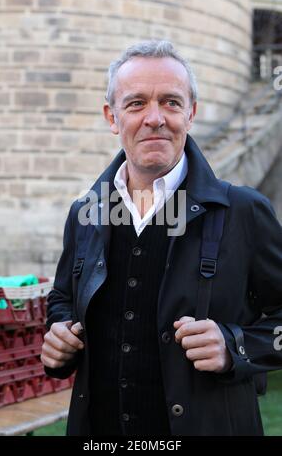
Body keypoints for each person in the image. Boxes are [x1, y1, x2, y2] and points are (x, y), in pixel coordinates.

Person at [41, 40, 282, 436]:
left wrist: (234, 346)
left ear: (191, 113)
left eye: (170, 102)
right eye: (136, 103)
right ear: (112, 116)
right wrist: (61, 334)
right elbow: (63, 298)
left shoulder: (243, 212)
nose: (155, 118)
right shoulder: (84, 212)